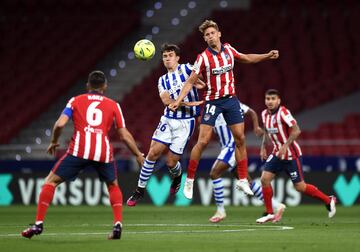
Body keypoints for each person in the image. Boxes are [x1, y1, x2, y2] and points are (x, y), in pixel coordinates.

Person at [21, 71, 144, 240]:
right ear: (105, 87)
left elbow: (59, 124)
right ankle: (117, 225)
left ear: (88, 85)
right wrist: (137, 154)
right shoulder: (113, 105)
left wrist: (54, 141)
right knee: (113, 186)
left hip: (79, 150)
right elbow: (124, 135)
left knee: (50, 182)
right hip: (102, 151)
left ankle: (39, 224)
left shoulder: (75, 100)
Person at [169, 19, 279, 199]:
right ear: (204, 39)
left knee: (240, 139)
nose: (210, 36)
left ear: (219, 34)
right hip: (213, 101)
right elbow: (190, 82)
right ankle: (189, 180)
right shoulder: (202, 57)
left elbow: (246, 58)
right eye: (207, 35)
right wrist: (178, 100)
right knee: (203, 141)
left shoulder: (228, 49)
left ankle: (243, 180)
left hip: (231, 100)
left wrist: (266, 55)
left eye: (212, 33)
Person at [126, 43, 203, 206]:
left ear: (177, 58)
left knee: (171, 162)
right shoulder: (162, 80)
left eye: (170, 55)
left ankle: (176, 178)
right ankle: (139, 190)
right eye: (165, 56)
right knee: (152, 153)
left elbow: (203, 83)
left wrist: (200, 87)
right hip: (168, 119)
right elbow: (166, 100)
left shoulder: (188, 69)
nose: (167, 58)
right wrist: (186, 103)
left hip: (185, 123)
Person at [256, 89, 336, 223]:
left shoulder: (284, 113)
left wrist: (285, 146)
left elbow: (297, 130)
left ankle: (329, 200)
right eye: (267, 99)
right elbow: (266, 131)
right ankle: (269, 213)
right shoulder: (264, 114)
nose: (270, 101)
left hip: (291, 155)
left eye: (273, 99)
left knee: (300, 187)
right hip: (276, 153)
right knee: (264, 179)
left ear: (278, 100)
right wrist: (263, 146)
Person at [209, 102, 286, 223]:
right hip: (225, 147)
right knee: (247, 181)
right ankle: (276, 205)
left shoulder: (230, 103)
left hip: (232, 146)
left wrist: (256, 127)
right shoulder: (213, 105)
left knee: (214, 173)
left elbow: (252, 112)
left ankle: (220, 210)